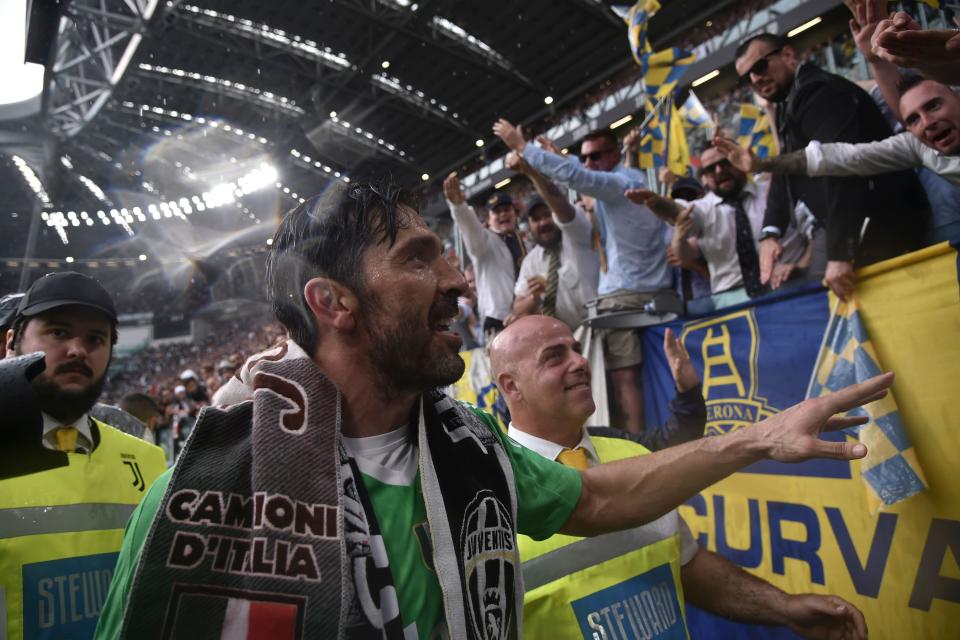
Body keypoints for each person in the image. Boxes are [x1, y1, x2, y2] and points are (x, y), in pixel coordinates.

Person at [94, 181, 890, 640]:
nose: (461, 282)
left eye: (446, 256)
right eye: (417, 260)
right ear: (332, 302)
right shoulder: (199, 500)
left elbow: (606, 497)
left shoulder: (467, 449)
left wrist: (763, 436)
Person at [490, 315, 868, 640]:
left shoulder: (634, 457)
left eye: (576, 348)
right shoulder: (487, 495)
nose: (580, 362)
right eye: (554, 357)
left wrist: (784, 606)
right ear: (511, 386)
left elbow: (687, 564)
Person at [1, 272, 166, 640]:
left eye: (95, 339)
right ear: (11, 341)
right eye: (58, 332)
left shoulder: (148, 461)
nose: (78, 350)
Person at [494, 119, 674, 434]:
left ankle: (636, 443)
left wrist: (524, 148)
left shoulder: (620, 186)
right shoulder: (628, 181)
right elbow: (579, 169)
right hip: (641, 290)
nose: (587, 162)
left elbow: (577, 176)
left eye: (595, 157)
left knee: (623, 377)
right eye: (585, 156)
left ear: (615, 155)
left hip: (624, 297)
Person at [735, 32, 929, 300]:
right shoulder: (790, 98)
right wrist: (770, 231)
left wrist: (840, 253)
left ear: (789, 56)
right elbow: (785, 169)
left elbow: (842, 168)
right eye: (747, 77)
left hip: (885, 227)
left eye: (759, 66)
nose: (755, 79)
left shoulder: (819, 91)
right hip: (860, 228)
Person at [627, 145, 813, 306]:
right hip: (732, 304)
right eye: (710, 169)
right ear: (705, 179)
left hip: (791, 292)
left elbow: (817, 232)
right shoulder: (704, 209)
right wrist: (656, 202)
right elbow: (679, 211)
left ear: (740, 162)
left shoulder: (775, 193)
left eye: (725, 163)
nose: (718, 171)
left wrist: (800, 267)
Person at [505, 152, 600, 330]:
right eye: (536, 219)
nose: (543, 223)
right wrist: (533, 297)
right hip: (566, 338)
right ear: (529, 226)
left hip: (601, 327)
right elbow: (517, 307)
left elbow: (561, 207)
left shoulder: (577, 233)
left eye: (547, 215)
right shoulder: (531, 262)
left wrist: (531, 172)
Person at [443, 175, 526, 344]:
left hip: (527, 315)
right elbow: (470, 227)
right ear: (488, 219)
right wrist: (459, 206)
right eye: (496, 211)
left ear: (515, 213)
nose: (503, 214)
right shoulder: (484, 243)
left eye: (507, 209)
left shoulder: (523, 242)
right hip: (498, 322)